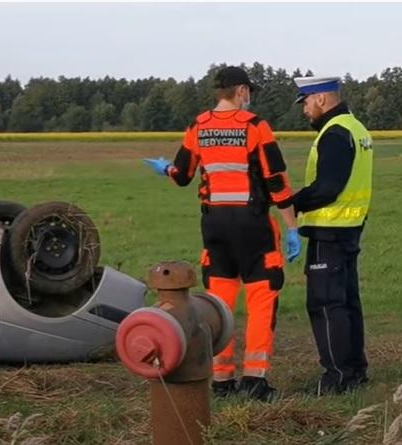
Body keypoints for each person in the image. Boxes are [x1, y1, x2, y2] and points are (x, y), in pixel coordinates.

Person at [143, 66, 301, 401]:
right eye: (250, 92)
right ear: (241, 91)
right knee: (262, 299)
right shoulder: (256, 127)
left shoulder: (198, 126)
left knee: (219, 302)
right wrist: (291, 228)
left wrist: (165, 170)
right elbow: (276, 180)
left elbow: (183, 175)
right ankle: (255, 380)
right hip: (252, 225)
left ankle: (222, 380)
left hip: (214, 226)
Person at [290, 76, 373, 396]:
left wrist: (291, 202)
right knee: (348, 302)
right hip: (349, 226)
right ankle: (354, 371)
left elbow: (327, 188)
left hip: (331, 229)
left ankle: (337, 376)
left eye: (306, 102)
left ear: (322, 99)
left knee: (326, 304)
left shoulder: (335, 133)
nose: (305, 110)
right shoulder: (357, 128)